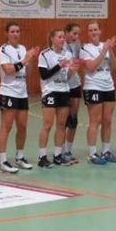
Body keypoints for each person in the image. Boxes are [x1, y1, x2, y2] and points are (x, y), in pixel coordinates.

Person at [0, 22, 39, 173]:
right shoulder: (3, 49)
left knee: (22, 126)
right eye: (12, 31)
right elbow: (8, 70)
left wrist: (31, 58)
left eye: (18, 31)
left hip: (22, 93)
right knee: (6, 127)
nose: (15, 34)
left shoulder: (22, 49)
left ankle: (19, 157)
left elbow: (27, 70)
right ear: (7, 34)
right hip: (8, 92)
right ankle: (3, 161)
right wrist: (26, 59)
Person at [37, 28, 77, 168]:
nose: (62, 39)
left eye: (63, 37)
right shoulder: (45, 54)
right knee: (47, 125)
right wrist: (59, 65)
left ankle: (58, 155)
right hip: (50, 91)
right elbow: (44, 75)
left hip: (64, 90)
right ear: (52, 39)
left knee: (61, 125)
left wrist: (72, 70)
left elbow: (67, 76)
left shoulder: (67, 54)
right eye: (59, 37)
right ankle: (42, 157)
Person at [80, 21, 116, 164]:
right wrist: (104, 51)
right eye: (90, 30)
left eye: (95, 29)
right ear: (88, 33)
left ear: (100, 31)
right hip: (93, 86)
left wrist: (110, 50)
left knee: (107, 120)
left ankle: (106, 151)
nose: (93, 32)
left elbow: (114, 66)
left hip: (108, 86)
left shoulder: (105, 46)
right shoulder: (85, 48)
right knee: (95, 121)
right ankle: (92, 154)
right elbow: (91, 66)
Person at [61, 22, 83, 164]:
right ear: (67, 32)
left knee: (73, 119)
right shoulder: (60, 44)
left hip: (75, 83)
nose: (76, 36)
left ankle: (68, 150)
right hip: (63, 85)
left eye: (78, 34)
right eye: (74, 33)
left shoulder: (77, 44)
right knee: (63, 120)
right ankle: (61, 150)